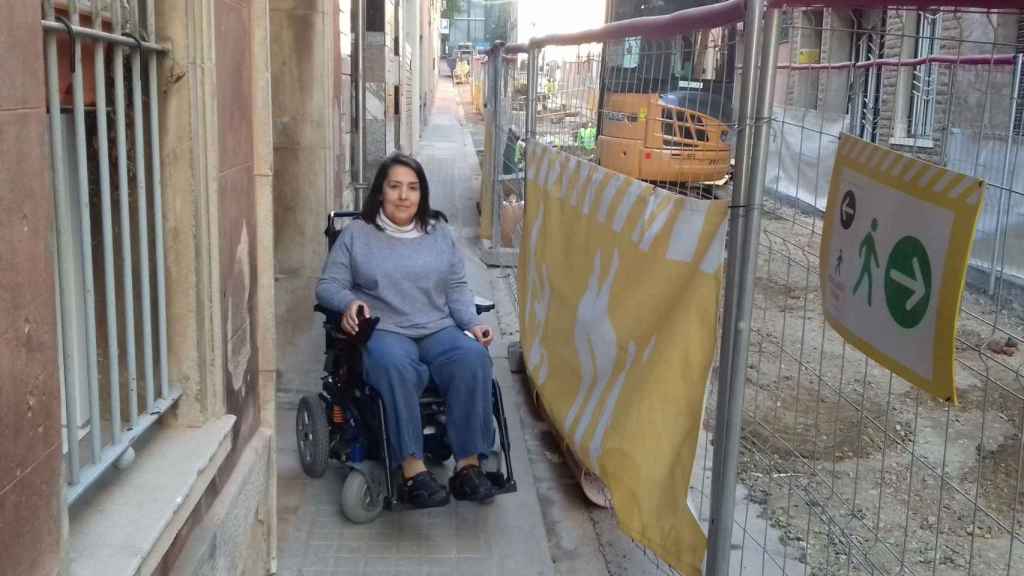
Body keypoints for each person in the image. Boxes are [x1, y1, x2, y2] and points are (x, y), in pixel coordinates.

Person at [316, 153, 498, 509]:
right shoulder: (357, 235)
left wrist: (473, 324)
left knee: (473, 359)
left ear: (422, 193)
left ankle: (467, 467)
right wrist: (349, 303)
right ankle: (413, 470)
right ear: (380, 192)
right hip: (386, 329)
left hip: (436, 326)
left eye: (412, 188)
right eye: (395, 187)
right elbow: (328, 285)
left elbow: (457, 288)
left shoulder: (439, 233)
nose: (404, 196)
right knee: (395, 367)